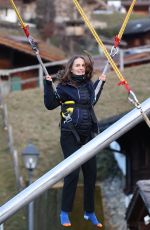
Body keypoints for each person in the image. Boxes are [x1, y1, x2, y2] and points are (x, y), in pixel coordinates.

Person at [44, 54, 106, 228]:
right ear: (70, 67)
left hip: (88, 134)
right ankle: (64, 212)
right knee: (72, 173)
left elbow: (92, 100)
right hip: (70, 135)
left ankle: (90, 212)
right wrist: (48, 85)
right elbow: (50, 104)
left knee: (91, 173)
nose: (81, 67)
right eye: (77, 65)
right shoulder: (63, 87)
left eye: (83, 65)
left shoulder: (87, 85)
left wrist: (101, 82)